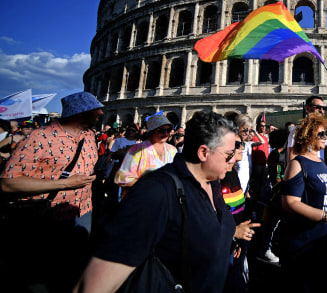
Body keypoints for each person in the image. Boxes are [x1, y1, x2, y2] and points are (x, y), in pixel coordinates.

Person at [76, 111, 238, 293]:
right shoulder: (154, 192)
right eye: (228, 154)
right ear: (203, 152)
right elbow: (93, 286)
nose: (233, 159)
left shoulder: (212, 182)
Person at [0, 91, 103, 291]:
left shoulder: (89, 136)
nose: (100, 113)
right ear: (80, 113)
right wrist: (64, 184)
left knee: (73, 268)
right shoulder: (40, 137)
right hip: (45, 216)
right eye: (95, 110)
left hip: (82, 211)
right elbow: (7, 183)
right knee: (40, 274)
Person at [280, 113, 327, 293]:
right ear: (308, 137)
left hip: (324, 237)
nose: (325, 137)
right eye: (321, 134)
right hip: (304, 240)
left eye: (325, 134)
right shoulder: (297, 163)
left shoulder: (320, 161)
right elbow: (289, 202)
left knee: (326, 282)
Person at [222, 134, 261, 293]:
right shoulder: (220, 176)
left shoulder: (233, 173)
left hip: (237, 240)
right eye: (238, 144)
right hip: (225, 241)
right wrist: (232, 235)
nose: (242, 147)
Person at [114, 113, 177, 197]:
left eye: (168, 130)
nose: (166, 133)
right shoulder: (136, 150)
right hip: (140, 200)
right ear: (151, 131)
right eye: (161, 130)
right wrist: (152, 183)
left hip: (165, 201)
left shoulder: (172, 150)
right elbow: (122, 180)